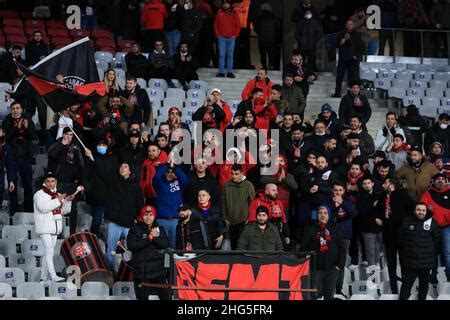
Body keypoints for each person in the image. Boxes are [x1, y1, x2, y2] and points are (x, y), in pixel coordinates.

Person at [376, 177, 414, 293]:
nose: (383, 185)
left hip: (401, 234)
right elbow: (377, 209)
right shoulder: (383, 196)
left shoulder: (402, 195)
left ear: (391, 184)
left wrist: (405, 225)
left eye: (385, 183)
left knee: (404, 262)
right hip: (388, 234)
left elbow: (412, 209)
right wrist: (378, 218)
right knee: (391, 264)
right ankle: (394, 290)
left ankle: (405, 290)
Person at [299, 205, 345, 300]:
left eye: (325, 213)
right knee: (313, 296)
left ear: (329, 215)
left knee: (329, 296)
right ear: (317, 215)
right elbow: (302, 249)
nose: (322, 215)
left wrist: (338, 266)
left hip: (332, 269)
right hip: (315, 270)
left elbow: (342, 249)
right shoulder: (309, 229)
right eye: (320, 213)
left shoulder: (335, 230)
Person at [34, 173, 73, 283]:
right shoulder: (39, 194)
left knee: (48, 253)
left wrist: (68, 201)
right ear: (44, 183)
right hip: (44, 228)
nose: (51, 183)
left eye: (53, 181)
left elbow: (64, 211)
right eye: (48, 181)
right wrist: (58, 200)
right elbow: (43, 208)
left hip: (55, 228)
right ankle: (53, 276)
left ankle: (43, 277)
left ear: (56, 182)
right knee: (49, 251)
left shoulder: (58, 194)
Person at [47, 127, 86, 235]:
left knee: (73, 210)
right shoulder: (56, 144)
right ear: (63, 135)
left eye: (71, 135)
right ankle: (56, 232)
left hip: (72, 183)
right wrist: (62, 145)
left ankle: (72, 233)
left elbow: (80, 166)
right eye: (67, 134)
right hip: (58, 182)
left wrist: (82, 183)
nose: (69, 137)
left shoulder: (75, 147)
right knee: (57, 208)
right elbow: (51, 155)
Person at [127, 205, 170, 300]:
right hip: (142, 272)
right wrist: (148, 239)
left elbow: (165, 244)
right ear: (142, 216)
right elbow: (132, 245)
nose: (148, 217)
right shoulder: (134, 229)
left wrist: (154, 238)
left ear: (154, 216)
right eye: (146, 215)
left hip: (158, 271)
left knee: (166, 297)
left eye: (151, 215)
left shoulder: (160, 229)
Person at [105, 162, 143, 268]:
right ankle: (110, 272)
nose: (122, 168)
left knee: (132, 249)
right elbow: (108, 200)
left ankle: (131, 272)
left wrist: (135, 217)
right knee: (111, 250)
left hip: (129, 223)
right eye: (121, 166)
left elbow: (139, 203)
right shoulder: (113, 182)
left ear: (130, 171)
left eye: (125, 166)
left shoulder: (135, 185)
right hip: (115, 221)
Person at [399, 203, 440, 300]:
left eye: (423, 210)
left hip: (426, 263)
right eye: (418, 210)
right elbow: (400, 239)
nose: (420, 212)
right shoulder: (406, 221)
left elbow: (437, 240)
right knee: (406, 286)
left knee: (424, 286)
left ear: (426, 211)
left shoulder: (432, 222)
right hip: (410, 262)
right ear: (414, 211)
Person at [3, 101, 37, 215]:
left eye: (18, 108)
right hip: (12, 159)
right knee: (13, 186)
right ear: (10, 110)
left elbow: (33, 136)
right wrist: (16, 128)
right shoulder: (7, 120)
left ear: (21, 109)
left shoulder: (27, 119)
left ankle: (28, 211)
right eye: (13, 108)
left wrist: (27, 128)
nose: (15, 110)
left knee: (28, 185)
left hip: (26, 158)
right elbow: (6, 137)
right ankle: (14, 212)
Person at [83, 141, 119, 236]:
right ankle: (94, 239)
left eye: (103, 145)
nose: (101, 147)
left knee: (112, 221)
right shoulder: (91, 158)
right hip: (96, 195)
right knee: (97, 220)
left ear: (107, 147)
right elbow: (86, 175)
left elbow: (112, 175)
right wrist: (88, 191)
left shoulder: (113, 159)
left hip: (111, 195)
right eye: (99, 145)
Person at [420, 173, 450, 282]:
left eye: (443, 179)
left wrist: (447, 217)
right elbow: (421, 207)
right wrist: (427, 209)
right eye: (438, 179)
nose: (440, 181)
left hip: (447, 227)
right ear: (434, 181)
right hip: (432, 228)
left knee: (447, 251)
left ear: (445, 181)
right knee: (432, 251)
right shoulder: (428, 193)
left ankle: (449, 273)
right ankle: (433, 273)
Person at [153, 160, 189, 248]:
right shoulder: (159, 184)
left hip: (176, 220)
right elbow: (156, 177)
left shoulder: (179, 184)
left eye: (171, 172)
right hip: (162, 220)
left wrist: (174, 167)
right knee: (162, 247)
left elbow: (185, 179)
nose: (170, 174)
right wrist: (166, 165)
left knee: (176, 247)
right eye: (167, 172)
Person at [330, 181, 357, 296]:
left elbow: (354, 213)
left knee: (341, 263)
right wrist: (334, 207)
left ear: (344, 191)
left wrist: (342, 203)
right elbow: (325, 217)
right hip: (330, 236)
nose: (338, 192)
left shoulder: (348, 201)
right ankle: (329, 288)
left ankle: (338, 289)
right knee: (330, 262)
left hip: (344, 236)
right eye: (336, 190)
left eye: (340, 190)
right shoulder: (328, 201)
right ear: (332, 191)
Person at [222, 164, 255, 249]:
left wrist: (249, 218)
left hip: (244, 221)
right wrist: (225, 217)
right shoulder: (226, 185)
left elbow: (253, 203)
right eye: (232, 173)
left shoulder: (248, 185)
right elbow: (223, 202)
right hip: (230, 221)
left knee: (243, 245)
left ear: (241, 173)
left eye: (236, 174)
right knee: (233, 245)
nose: (234, 176)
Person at [332, 20, 363, 98]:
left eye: (351, 24)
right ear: (345, 25)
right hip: (342, 59)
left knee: (352, 78)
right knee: (339, 77)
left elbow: (360, 47)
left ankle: (351, 94)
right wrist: (341, 42)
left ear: (353, 25)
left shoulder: (357, 35)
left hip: (352, 60)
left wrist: (356, 55)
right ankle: (337, 93)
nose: (349, 26)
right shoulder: (341, 34)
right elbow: (335, 45)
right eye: (348, 24)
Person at [214, 0, 241, 78]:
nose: (225, 5)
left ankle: (229, 72)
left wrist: (235, 35)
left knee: (230, 55)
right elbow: (215, 24)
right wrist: (217, 34)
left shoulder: (234, 12)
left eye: (227, 4)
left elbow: (238, 24)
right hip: (221, 38)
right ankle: (221, 72)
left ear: (229, 4)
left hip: (231, 38)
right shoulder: (219, 12)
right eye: (224, 4)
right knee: (222, 55)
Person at [253, 2, 280, 71]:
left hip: (262, 39)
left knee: (263, 53)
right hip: (271, 39)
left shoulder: (259, 17)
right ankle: (271, 65)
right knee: (271, 53)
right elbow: (277, 28)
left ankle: (264, 66)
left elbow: (256, 27)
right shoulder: (274, 17)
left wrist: (259, 33)